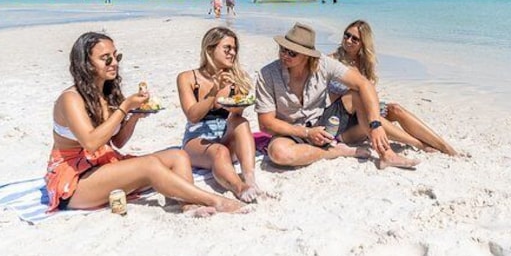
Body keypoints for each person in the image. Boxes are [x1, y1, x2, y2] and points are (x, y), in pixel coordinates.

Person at [45, 32, 246, 216]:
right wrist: (125, 107)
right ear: (86, 64)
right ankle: (214, 200)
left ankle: (187, 204)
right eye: (106, 58)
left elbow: (118, 141)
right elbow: (91, 143)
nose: (114, 62)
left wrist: (134, 116)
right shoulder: (71, 99)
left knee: (178, 155)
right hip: (75, 181)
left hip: (103, 165)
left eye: (116, 56)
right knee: (149, 165)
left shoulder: (106, 93)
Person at [256, 22, 419, 169]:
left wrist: (376, 125)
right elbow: (266, 123)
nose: (285, 55)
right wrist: (306, 133)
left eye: (292, 53)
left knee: (356, 94)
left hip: (324, 120)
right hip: (291, 129)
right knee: (278, 153)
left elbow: (364, 84)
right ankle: (333, 152)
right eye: (283, 49)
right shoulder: (267, 74)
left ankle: (387, 155)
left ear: (306, 55)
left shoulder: (323, 64)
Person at [331, 20, 457, 156]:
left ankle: (444, 146)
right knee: (374, 118)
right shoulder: (332, 61)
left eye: (355, 39)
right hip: (342, 125)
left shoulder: (363, 64)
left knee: (395, 109)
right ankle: (419, 144)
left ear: (363, 43)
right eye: (346, 35)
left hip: (362, 117)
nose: (348, 40)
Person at [177, 27, 263, 202]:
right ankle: (239, 188)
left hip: (224, 134)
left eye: (234, 49)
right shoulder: (187, 78)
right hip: (197, 138)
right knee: (219, 151)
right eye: (227, 48)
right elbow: (192, 116)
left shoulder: (234, 79)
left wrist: (238, 95)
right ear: (210, 49)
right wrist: (214, 92)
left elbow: (236, 114)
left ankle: (250, 179)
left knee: (242, 122)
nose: (232, 53)